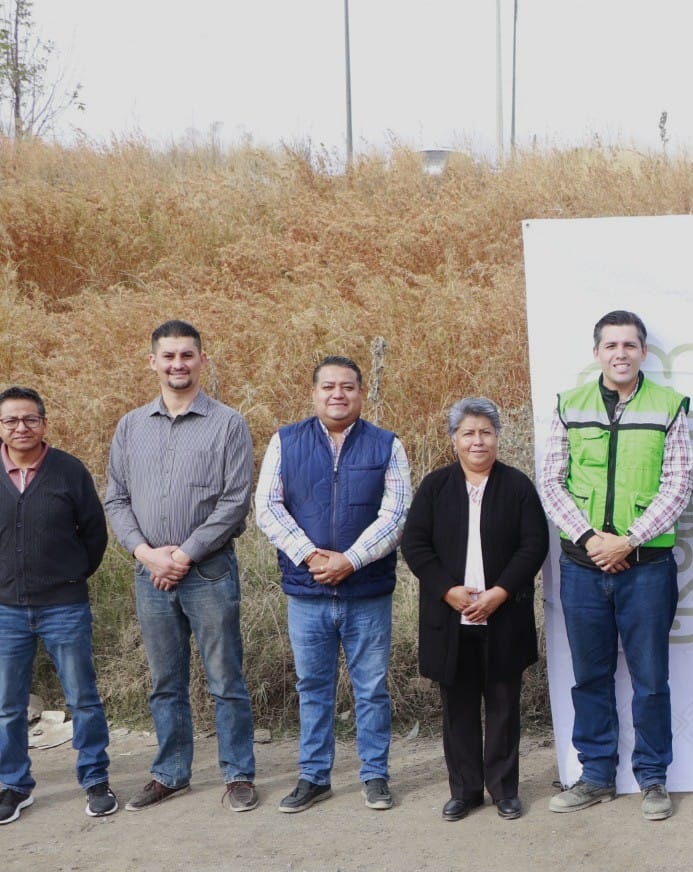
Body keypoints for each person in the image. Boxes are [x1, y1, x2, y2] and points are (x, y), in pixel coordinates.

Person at [536, 310, 690, 821]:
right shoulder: (569, 406)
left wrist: (628, 541)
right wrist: (589, 538)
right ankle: (596, 775)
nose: (620, 353)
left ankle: (653, 778)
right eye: (611, 345)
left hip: (646, 567)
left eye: (630, 345)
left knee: (650, 678)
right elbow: (552, 480)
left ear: (644, 352)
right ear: (596, 352)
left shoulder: (668, 407)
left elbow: (678, 484)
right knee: (590, 676)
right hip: (581, 567)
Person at [105, 320, 259, 813]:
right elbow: (116, 500)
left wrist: (184, 554)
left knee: (225, 678)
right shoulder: (130, 426)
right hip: (150, 575)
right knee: (165, 681)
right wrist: (146, 553)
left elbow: (236, 501)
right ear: (152, 361)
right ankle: (170, 773)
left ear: (202, 360)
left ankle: (237, 774)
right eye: (168, 356)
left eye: (187, 355)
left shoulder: (228, 423)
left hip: (208, 572)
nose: (178, 364)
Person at [255, 356, 412, 814]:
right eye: (328, 386)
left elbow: (395, 512)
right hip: (307, 592)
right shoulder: (285, 442)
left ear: (361, 394)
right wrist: (310, 555)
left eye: (347, 386)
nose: (337, 394)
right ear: (314, 392)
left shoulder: (387, 445)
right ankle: (314, 775)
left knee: (371, 688)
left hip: (368, 591)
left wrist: (351, 560)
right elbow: (267, 507)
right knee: (313, 686)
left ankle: (375, 775)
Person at [403, 398, 549, 821]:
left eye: (485, 432)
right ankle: (465, 790)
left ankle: (504, 789)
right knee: (459, 706)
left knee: (504, 704)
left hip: (503, 614)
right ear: (454, 440)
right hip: (450, 616)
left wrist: (500, 592)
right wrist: (448, 590)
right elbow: (415, 544)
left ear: (497, 437)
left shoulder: (517, 486)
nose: (477, 441)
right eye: (468, 433)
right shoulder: (435, 487)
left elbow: (533, 544)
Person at [0, 387, 116, 824]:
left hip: (64, 605)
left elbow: (94, 534)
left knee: (83, 698)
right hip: (5, 609)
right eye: (10, 420)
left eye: (29, 419)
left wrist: (69, 576)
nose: (20, 428)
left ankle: (95, 779)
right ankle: (14, 785)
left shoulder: (68, 470)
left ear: (44, 424)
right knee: (7, 705)